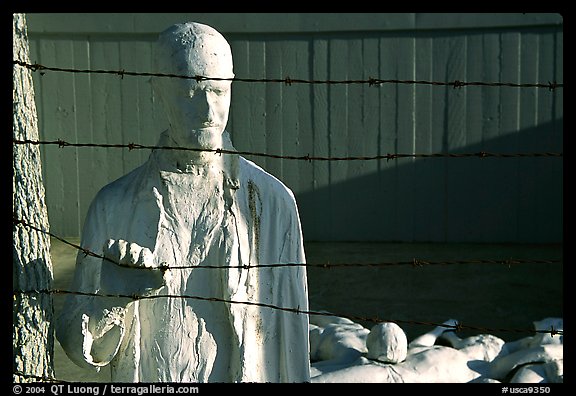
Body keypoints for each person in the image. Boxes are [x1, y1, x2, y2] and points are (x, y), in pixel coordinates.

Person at [56, 22, 310, 383]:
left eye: (219, 92)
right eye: (192, 92)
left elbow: (292, 348)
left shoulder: (273, 204)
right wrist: (110, 303)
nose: (208, 109)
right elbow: (75, 343)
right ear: (158, 90)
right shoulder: (113, 206)